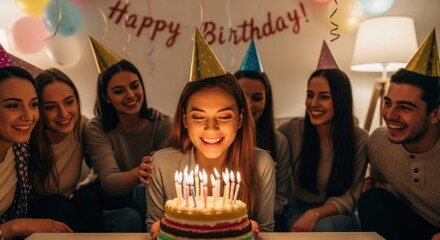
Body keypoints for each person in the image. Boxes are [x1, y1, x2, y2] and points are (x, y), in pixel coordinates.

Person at [146, 28, 276, 239]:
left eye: (224, 116)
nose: (211, 128)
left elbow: (266, 231)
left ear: (240, 119)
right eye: (199, 117)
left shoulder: (261, 164)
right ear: (185, 119)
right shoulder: (161, 164)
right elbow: (153, 229)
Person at [357, 29, 440, 240]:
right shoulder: (378, 143)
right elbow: (381, 183)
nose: (390, 115)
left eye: (405, 107)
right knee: (372, 200)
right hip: (415, 225)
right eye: (387, 103)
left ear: (435, 114)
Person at [86, 37, 172, 232]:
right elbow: (109, 182)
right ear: (106, 97)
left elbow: (165, 178)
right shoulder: (97, 128)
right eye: (119, 91)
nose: (131, 95)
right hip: (111, 205)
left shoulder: (162, 124)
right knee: (131, 215)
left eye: (134, 86)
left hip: (151, 201)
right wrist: (139, 172)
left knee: (145, 192)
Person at [278, 68, 368, 232]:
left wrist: (316, 213)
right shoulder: (292, 130)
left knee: (323, 228)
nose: (313, 103)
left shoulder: (359, 139)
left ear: (341, 100)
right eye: (310, 95)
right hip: (299, 209)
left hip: (341, 212)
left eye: (324, 97)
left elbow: (351, 196)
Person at [0, 65, 72, 239]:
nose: (29, 116)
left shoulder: (20, 151)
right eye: (13, 105)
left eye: (33, 104)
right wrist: (11, 228)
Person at [27, 68, 102, 232]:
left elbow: (111, 145)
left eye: (69, 102)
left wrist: (147, 117)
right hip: (34, 212)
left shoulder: (83, 126)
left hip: (66, 206)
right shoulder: (27, 136)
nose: (63, 113)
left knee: (89, 197)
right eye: (50, 107)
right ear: (38, 108)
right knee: (58, 204)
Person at [234, 39, 290, 232]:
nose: (249, 105)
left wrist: (259, 211)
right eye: (242, 96)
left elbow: (283, 196)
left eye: (257, 98)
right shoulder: (218, 139)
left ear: (267, 99)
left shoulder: (279, 141)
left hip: (267, 222)